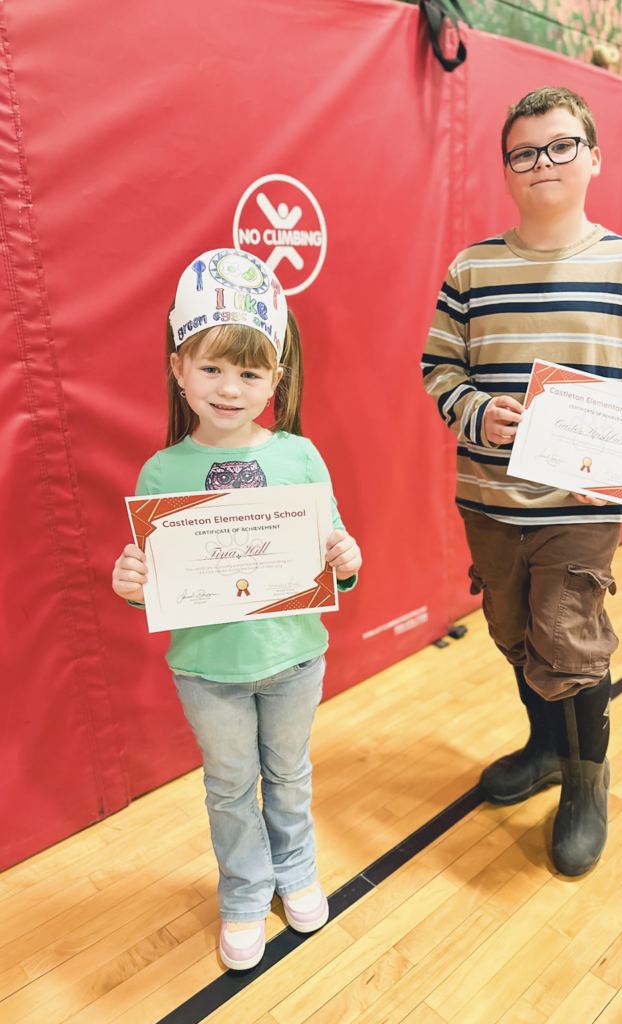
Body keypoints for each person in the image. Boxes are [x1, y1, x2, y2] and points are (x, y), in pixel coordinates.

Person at [422, 87, 622, 875]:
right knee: (513, 632)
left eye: (560, 145)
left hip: (581, 504)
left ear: (593, 157)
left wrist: (600, 449)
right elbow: (439, 368)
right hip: (489, 498)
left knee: (569, 642)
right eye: (524, 152)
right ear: (506, 170)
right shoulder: (471, 269)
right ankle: (543, 749)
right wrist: (474, 413)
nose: (542, 162)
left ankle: (585, 785)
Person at [111, 249, 362, 970]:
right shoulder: (162, 472)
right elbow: (156, 577)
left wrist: (346, 560)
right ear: (178, 369)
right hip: (206, 670)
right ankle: (246, 894)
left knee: (289, 775)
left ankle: (297, 870)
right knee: (228, 787)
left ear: (274, 381)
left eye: (249, 373)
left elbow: (332, 549)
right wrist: (133, 579)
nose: (229, 388)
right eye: (212, 368)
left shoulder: (300, 455)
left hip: (293, 658)